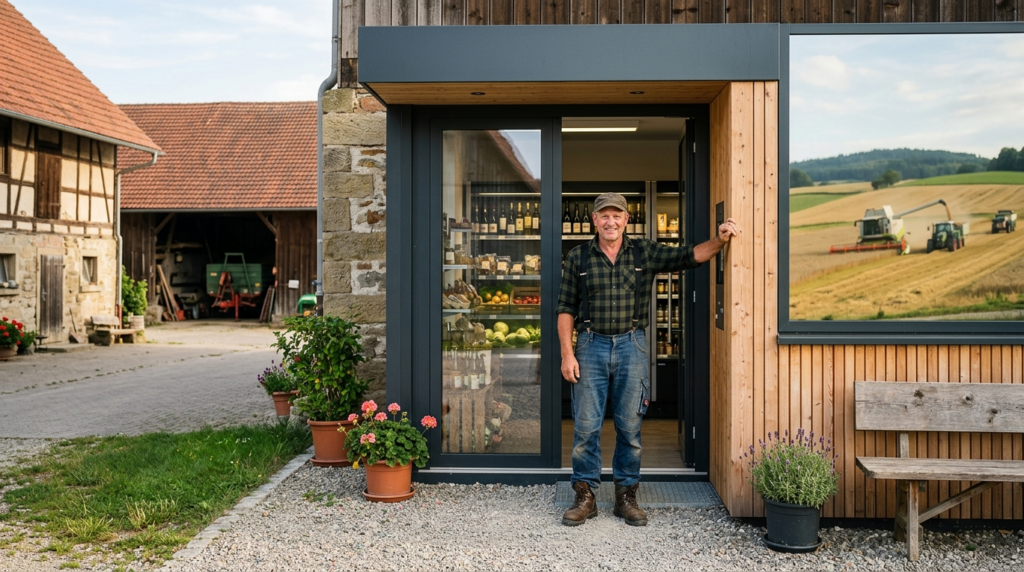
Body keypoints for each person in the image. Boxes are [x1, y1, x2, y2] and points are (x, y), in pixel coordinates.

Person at [556, 192, 739, 527]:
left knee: (629, 426)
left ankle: (626, 496)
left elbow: (690, 256)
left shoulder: (644, 251)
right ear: (594, 221)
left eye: (617, 215)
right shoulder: (578, 257)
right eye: (604, 216)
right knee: (585, 427)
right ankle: (585, 496)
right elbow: (565, 308)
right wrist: (567, 354)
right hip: (590, 345)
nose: (610, 222)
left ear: (626, 219)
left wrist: (720, 239)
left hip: (632, 344)